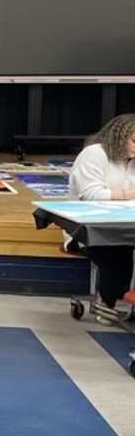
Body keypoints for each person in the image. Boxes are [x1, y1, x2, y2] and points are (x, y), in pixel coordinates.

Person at [67, 113, 135, 321]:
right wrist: (129, 195)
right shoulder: (94, 154)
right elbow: (92, 194)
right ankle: (107, 302)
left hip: (127, 225)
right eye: (134, 141)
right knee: (116, 254)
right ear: (118, 137)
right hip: (91, 227)